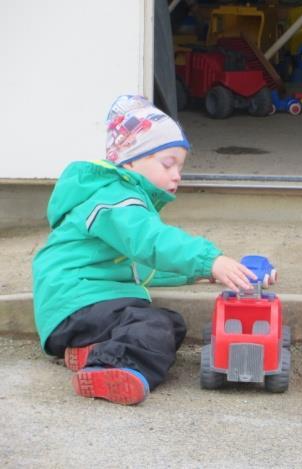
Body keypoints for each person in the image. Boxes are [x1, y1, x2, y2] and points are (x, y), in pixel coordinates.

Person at [32, 95, 255, 405]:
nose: (177, 174)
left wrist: (195, 275)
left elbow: (142, 264)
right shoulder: (116, 200)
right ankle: (113, 367)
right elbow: (153, 242)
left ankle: (91, 352)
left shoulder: (119, 202)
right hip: (76, 303)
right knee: (152, 324)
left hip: (84, 307)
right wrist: (208, 260)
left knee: (171, 323)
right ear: (131, 161)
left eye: (180, 167)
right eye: (168, 164)